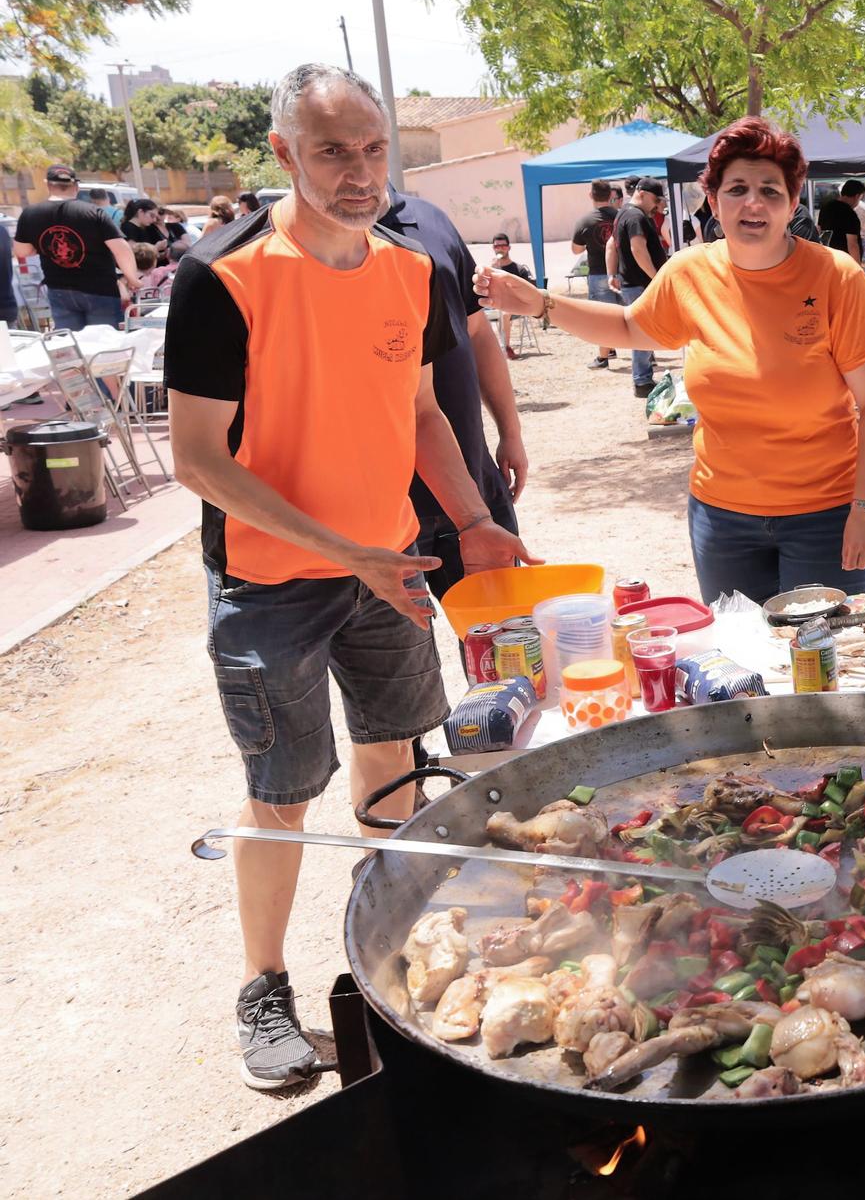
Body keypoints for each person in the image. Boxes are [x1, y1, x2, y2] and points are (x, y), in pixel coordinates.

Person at [164, 64, 535, 1091]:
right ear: (283, 152)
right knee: (280, 792)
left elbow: (420, 414)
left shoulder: (408, 271)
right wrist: (349, 555)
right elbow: (198, 458)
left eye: (373, 149)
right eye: (331, 150)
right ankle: (263, 984)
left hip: (391, 567)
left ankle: (396, 950)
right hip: (269, 581)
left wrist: (471, 519)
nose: (358, 170)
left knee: (393, 764)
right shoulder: (222, 276)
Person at [480, 118, 865, 602]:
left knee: (824, 664)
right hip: (722, 520)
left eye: (770, 190)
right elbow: (628, 327)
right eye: (737, 189)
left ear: (792, 202)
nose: (753, 203)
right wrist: (542, 303)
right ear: (714, 202)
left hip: (825, 516)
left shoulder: (833, 277)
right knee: (741, 665)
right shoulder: (690, 272)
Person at [379, 187, 530, 594]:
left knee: (505, 641)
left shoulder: (429, 219)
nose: (358, 163)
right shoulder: (313, 245)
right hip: (384, 512)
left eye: (372, 146)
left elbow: (478, 332)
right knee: (407, 656)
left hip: (472, 482)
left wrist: (510, 432)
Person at [13, 163, 140, 330]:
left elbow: (22, 251)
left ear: (48, 185)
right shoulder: (93, 212)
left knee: (72, 346)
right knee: (105, 344)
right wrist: (132, 278)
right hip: (100, 289)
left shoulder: (30, 214)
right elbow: (121, 249)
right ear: (76, 186)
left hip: (59, 289)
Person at [613, 178, 671, 399]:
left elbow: (613, 246)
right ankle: (642, 380)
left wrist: (612, 274)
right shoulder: (636, 216)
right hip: (639, 284)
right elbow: (638, 249)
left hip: (634, 283)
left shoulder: (625, 213)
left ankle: (643, 377)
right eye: (656, 200)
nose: (657, 206)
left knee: (642, 332)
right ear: (643, 194)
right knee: (642, 332)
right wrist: (657, 278)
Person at [570, 179, 623, 369]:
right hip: (623, 271)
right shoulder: (621, 216)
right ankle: (646, 355)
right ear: (611, 195)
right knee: (632, 313)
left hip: (598, 273)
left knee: (602, 317)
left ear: (591, 195)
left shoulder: (584, 221)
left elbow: (576, 250)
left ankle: (604, 356)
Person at [817, 179, 865, 263]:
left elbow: (819, 230)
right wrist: (857, 267)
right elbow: (852, 244)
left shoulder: (826, 207)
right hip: (844, 261)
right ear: (857, 196)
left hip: (828, 257)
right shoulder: (850, 214)